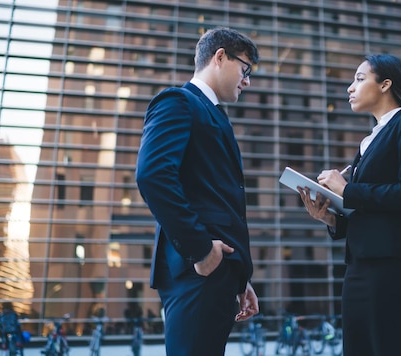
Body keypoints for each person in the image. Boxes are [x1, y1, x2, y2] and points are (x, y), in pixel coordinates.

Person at [297, 54, 401, 356]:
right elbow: (370, 209)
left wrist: (347, 189)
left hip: (395, 263)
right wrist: (330, 218)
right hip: (361, 264)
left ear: (385, 84)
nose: (349, 88)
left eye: (359, 78)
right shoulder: (370, 139)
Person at [135, 27, 260, 355]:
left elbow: (214, 196)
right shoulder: (178, 101)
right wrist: (201, 250)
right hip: (197, 270)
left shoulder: (216, 115)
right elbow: (153, 175)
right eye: (245, 69)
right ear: (220, 56)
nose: (246, 81)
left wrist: (239, 278)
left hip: (216, 275)